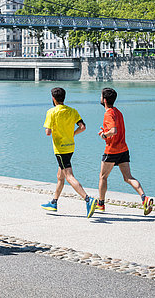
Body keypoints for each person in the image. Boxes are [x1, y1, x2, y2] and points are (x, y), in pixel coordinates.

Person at [41, 87, 97, 218]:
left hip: (60, 149)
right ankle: (54, 202)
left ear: (53, 98)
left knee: (69, 176)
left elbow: (47, 132)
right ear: (64, 98)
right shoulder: (72, 111)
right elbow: (82, 127)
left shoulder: (51, 112)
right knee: (60, 176)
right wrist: (72, 134)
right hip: (70, 147)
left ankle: (88, 199)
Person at [97, 87, 153, 215]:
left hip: (112, 150)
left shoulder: (108, 113)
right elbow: (116, 129)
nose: (100, 98)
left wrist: (104, 135)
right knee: (128, 177)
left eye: (101, 96)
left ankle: (101, 204)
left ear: (104, 100)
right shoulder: (118, 112)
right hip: (123, 149)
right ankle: (144, 198)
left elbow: (113, 131)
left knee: (103, 177)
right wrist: (107, 132)